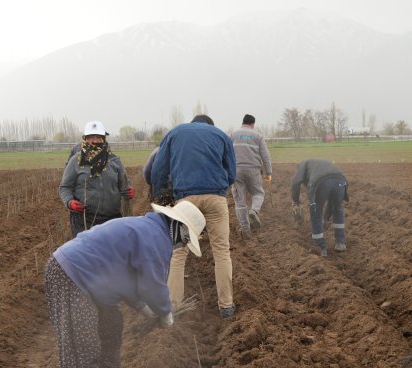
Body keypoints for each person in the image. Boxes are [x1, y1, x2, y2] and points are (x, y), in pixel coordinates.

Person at [44, 201, 206, 368]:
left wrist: (144, 308)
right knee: (82, 346)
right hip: (70, 274)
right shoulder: (156, 238)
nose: (182, 245)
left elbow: (130, 281)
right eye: (185, 240)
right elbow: (152, 285)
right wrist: (165, 314)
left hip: (91, 279)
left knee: (111, 325)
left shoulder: (149, 230)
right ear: (180, 229)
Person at [151, 115, 238, 318]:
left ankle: (173, 306)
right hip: (216, 198)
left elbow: (158, 169)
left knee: (178, 252)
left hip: (185, 200)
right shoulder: (221, 135)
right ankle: (226, 305)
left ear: (193, 122)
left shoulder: (175, 133)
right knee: (221, 251)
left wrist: (160, 193)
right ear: (210, 125)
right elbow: (232, 173)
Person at [59, 121, 134, 238]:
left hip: (112, 220)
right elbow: (65, 187)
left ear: (103, 139)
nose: (94, 140)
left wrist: (129, 188)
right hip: (84, 220)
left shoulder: (114, 160)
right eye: (91, 137)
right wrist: (69, 202)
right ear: (85, 139)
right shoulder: (76, 161)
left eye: (98, 137)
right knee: (88, 254)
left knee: (110, 253)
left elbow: (124, 181)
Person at [290, 158, 348, 257]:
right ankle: (340, 243)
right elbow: (331, 202)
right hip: (341, 181)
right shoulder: (318, 164)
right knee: (337, 209)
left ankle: (320, 246)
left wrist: (295, 201)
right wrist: (326, 217)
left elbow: (295, 182)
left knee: (316, 212)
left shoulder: (302, 165)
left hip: (322, 182)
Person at [228, 114, 272, 234]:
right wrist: (269, 172)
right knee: (258, 193)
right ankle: (254, 211)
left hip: (236, 171)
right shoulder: (258, 136)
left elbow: (226, 153)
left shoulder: (232, 135)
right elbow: (265, 156)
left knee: (240, 200)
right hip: (254, 170)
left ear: (243, 122)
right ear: (252, 124)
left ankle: (245, 229)